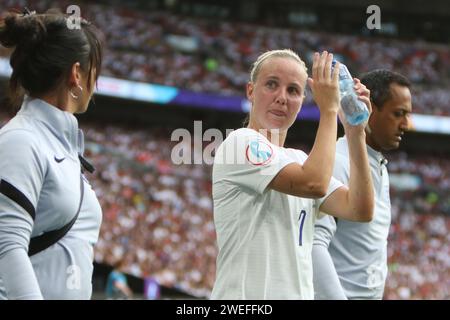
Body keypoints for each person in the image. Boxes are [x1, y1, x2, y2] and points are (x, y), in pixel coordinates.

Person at [211, 49, 374, 300]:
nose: (281, 97)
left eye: (293, 90)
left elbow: (360, 209)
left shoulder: (298, 160)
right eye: (272, 85)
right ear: (251, 91)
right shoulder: (240, 143)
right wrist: (330, 112)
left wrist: (355, 133)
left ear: (302, 101)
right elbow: (313, 184)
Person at [0, 9, 103, 299]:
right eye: (95, 70)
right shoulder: (22, 140)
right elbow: (7, 246)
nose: (97, 83)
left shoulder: (60, 147)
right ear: (76, 74)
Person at [312, 70, 412, 300]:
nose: (406, 124)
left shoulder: (379, 164)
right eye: (398, 114)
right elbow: (314, 245)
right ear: (370, 109)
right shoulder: (336, 161)